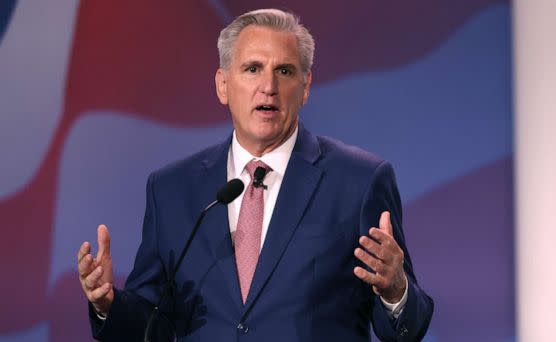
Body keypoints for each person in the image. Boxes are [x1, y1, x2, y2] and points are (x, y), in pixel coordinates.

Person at [77, 8, 433, 341]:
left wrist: (395, 290)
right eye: (252, 69)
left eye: (285, 71)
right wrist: (108, 305)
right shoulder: (172, 189)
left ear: (305, 87)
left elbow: (407, 327)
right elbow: (152, 323)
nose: (269, 86)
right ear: (222, 85)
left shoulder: (359, 181)